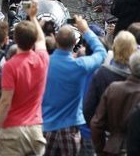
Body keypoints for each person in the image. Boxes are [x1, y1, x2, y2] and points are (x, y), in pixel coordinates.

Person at [0, 1, 48, 156]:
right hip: (36, 130)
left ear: (14, 38)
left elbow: (5, 101)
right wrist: (33, 18)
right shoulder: (43, 59)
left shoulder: (10, 66)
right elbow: (41, 40)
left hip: (12, 132)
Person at [42, 16, 107, 156]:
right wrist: (86, 30)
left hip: (47, 126)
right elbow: (101, 53)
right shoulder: (80, 65)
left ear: (56, 41)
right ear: (74, 43)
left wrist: (37, 23)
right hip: (71, 128)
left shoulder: (43, 62)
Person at [91, 51, 140, 155]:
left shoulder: (114, 88)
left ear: (130, 67)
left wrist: (101, 150)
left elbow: (96, 123)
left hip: (112, 148)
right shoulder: (113, 87)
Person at [84, 31, 137, 124]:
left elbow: (89, 108)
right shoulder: (136, 76)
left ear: (114, 48)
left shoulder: (102, 73)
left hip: (104, 128)